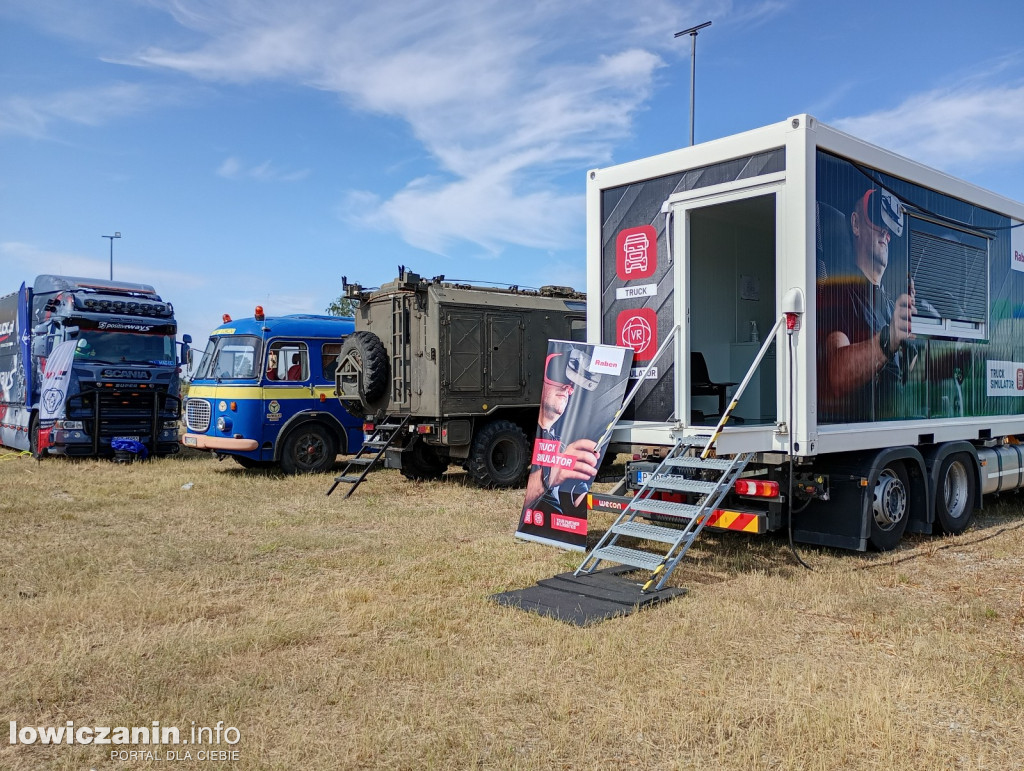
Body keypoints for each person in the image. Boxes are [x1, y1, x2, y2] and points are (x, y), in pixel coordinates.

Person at [818, 187, 917, 421]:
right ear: (855, 224)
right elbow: (837, 374)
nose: (885, 233)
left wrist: (910, 342)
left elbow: (898, 376)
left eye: (890, 229)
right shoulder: (840, 294)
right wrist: (888, 340)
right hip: (858, 430)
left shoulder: (889, 306)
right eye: (876, 220)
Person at [523, 352, 601, 509]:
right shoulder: (534, 437)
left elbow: (576, 496)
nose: (568, 388)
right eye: (560, 377)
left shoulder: (565, 443)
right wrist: (552, 474)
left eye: (571, 384)